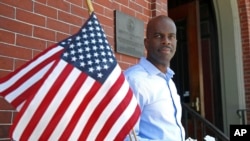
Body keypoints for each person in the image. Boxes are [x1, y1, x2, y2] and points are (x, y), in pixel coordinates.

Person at [124, 15, 185, 141]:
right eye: (158, 36)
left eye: (171, 36)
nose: (166, 41)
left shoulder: (169, 81)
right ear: (146, 43)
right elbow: (125, 137)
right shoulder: (134, 80)